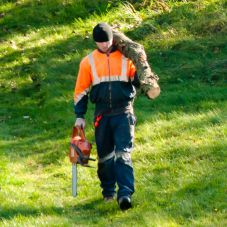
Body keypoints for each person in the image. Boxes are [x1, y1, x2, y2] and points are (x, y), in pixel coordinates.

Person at [74, 22, 141, 211]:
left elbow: (138, 77)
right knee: (105, 157)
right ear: (95, 42)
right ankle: (108, 192)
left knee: (123, 154)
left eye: (107, 41)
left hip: (124, 112)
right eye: (100, 43)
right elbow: (81, 91)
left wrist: (142, 77)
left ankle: (125, 194)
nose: (104, 45)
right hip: (102, 115)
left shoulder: (128, 57)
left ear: (114, 38)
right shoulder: (88, 62)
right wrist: (80, 115)